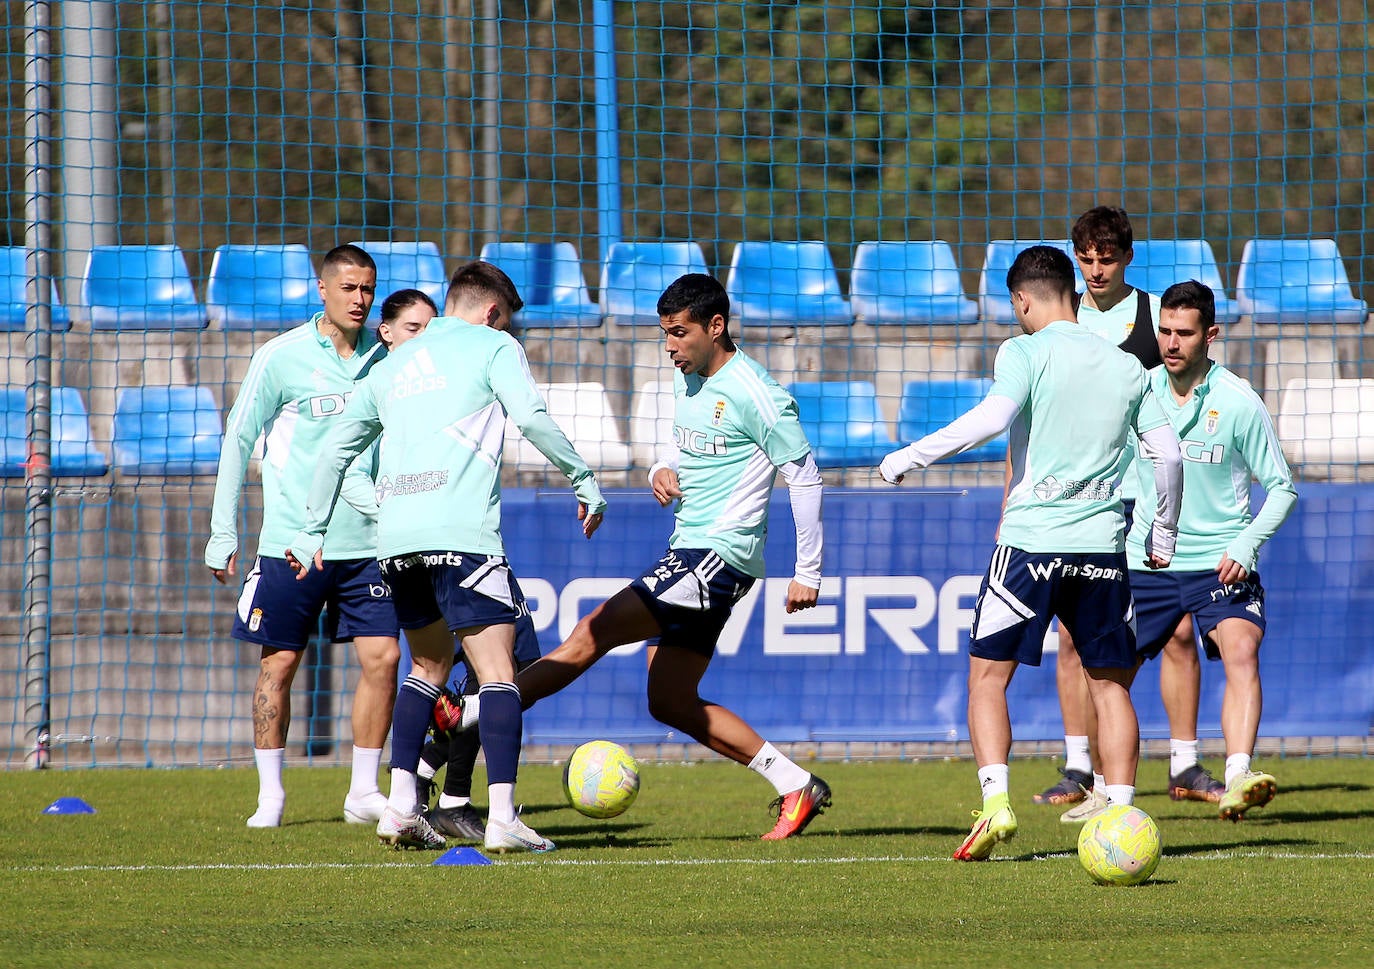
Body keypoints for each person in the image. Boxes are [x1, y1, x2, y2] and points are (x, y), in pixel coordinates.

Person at [447, 272, 832, 840]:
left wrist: (808, 572)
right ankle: (794, 785)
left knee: (591, 633)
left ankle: (473, 717)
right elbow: (674, 447)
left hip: (717, 557)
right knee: (670, 700)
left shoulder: (757, 393)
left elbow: (804, 474)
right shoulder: (688, 380)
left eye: (679, 334)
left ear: (716, 327)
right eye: (665, 334)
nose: (670, 347)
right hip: (694, 552)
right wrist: (660, 470)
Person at [289, 260, 607, 853]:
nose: (507, 330)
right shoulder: (493, 347)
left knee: (426, 669)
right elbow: (533, 418)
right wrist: (582, 478)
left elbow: (333, 451)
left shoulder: (394, 362)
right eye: (506, 321)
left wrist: (311, 531)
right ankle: (504, 819)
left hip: (397, 542)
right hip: (463, 537)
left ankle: (403, 807)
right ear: (491, 313)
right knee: (498, 675)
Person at [878, 245, 1183, 861]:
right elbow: (1169, 456)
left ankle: (995, 805)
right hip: (1102, 545)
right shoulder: (1129, 366)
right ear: (1072, 290)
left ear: (1022, 299)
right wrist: (1165, 534)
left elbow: (993, 418)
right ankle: (1119, 816)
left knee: (988, 680)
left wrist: (907, 457)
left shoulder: (1022, 350)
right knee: (1110, 687)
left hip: (1033, 542)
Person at [1067, 281, 1295, 823]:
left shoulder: (1239, 402)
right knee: (1107, 677)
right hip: (1147, 561)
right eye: (1164, 331)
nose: (1171, 343)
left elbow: (1282, 487)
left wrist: (1246, 544)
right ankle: (1106, 792)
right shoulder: (1134, 391)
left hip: (1220, 557)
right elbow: (1108, 471)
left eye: (1184, 333)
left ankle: (1238, 776)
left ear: (1210, 335)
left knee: (1240, 648)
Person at [1036, 206, 1228, 810]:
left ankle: (1186, 764)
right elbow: (1030, 410)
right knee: (1073, 636)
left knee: (1175, 631)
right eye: (1085, 258)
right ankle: (1078, 768)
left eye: (1107, 257)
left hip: (1144, 494)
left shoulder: (1153, 318)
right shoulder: (1055, 318)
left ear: (1127, 257)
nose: (1095, 269)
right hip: (1078, 497)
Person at [204, 243, 400, 829]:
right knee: (280, 664)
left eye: (368, 289)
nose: (360, 299)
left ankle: (363, 791)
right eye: (349, 288)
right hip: (292, 543)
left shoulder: (388, 357)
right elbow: (238, 438)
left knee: (385, 658)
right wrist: (222, 532)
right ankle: (271, 796)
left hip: (368, 543)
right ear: (323, 289)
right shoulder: (281, 356)